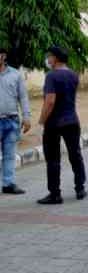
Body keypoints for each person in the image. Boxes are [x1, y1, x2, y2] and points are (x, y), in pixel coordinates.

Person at [37, 47, 87, 204]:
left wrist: (41, 121)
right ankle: (80, 188)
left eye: (49, 56)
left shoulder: (51, 76)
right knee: (75, 154)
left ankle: (55, 194)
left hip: (54, 123)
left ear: (56, 59)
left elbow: (50, 101)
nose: (48, 59)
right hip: (72, 120)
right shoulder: (73, 74)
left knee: (53, 158)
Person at [0, 48, 32, 195]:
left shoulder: (15, 74)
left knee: (9, 154)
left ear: (3, 56)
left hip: (12, 121)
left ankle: (8, 184)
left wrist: (26, 117)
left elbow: (23, 97)